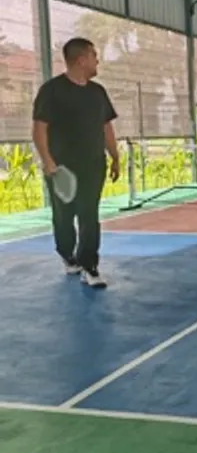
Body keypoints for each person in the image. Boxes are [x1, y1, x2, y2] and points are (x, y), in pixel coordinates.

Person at [32, 37, 120, 288]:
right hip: (61, 168)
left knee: (89, 215)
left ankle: (89, 265)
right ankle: (67, 254)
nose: (97, 61)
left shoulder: (98, 92)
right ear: (81, 60)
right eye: (94, 56)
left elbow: (106, 127)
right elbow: (39, 129)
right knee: (63, 217)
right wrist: (48, 162)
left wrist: (115, 157)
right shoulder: (51, 91)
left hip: (93, 165)